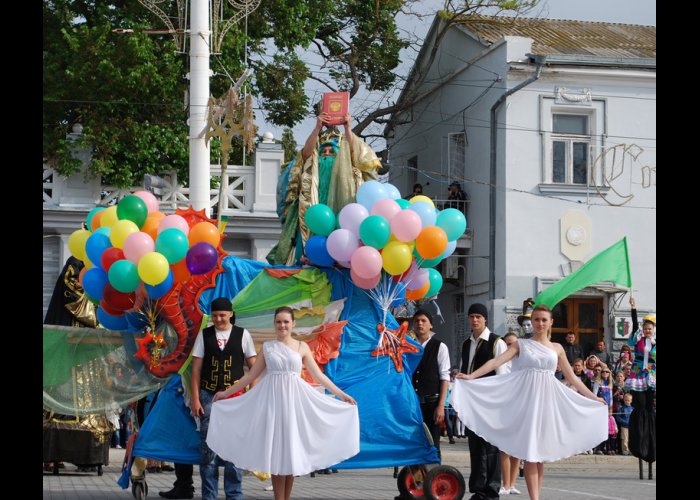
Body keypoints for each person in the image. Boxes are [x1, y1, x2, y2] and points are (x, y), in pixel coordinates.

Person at [451, 304, 607, 500]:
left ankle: (536, 496)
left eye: (544, 320)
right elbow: (495, 362)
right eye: (536, 319)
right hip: (526, 402)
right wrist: (472, 376)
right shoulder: (521, 344)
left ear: (551, 322)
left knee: (539, 455)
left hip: (547, 401)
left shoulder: (557, 348)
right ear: (531, 322)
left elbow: (573, 378)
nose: (540, 323)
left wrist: (593, 397)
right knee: (531, 453)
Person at [205, 306, 359, 500]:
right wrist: (225, 393)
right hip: (273, 404)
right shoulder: (268, 348)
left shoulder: (302, 347)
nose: (282, 325)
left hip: (294, 404)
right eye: (279, 322)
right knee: (278, 454)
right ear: (274, 324)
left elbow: (319, 376)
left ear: (293, 323)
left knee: (290, 454)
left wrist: (341, 394)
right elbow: (251, 375)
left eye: (286, 321)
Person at [267, 110, 381, 265]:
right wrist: (317, 127)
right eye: (323, 152)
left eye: (331, 151)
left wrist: (348, 128)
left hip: (344, 207)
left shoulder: (347, 163)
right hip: (313, 208)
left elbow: (360, 157)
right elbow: (305, 155)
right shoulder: (312, 167)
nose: (326, 154)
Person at [189, 297, 258, 500]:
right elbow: (196, 370)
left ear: (231, 313)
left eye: (222, 315)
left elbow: (254, 368)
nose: (218, 319)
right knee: (207, 451)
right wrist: (195, 398)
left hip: (235, 399)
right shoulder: (204, 335)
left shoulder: (243, 335)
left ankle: (234, 495)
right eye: (215, 315)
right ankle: (209, 496)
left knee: (233, 450)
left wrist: (251, 396)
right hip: (208, 395)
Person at [457, 303, 508, 500]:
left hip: (491, 404)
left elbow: (502, 376)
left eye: (478, 316)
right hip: (472, 404)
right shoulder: (466, 343)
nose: (475, 320)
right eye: (472, 317)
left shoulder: (496, 342)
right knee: (475, 447)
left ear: (485, 319)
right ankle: (478, 489)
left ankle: (492, 490)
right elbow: (465, 370)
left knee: (491, 448)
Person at [411, 309, 451, 458]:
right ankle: (416, 477)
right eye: (416, 321)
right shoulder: (409, 346)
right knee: (415, 442)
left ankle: (435, 477)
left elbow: (444, 377)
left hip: (432, 402)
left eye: (423, 321)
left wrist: (441, 405)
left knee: (432, 442)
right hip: (413, 402)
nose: (419, 324)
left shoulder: (440, 347)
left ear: (431, 325)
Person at [624, 296, 656, 464]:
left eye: (649, 329)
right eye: (645, 329)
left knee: (650, 407)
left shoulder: (655, 342)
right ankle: (640, 438)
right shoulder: (638, 339)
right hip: (638, 373)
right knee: (641, 406)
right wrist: (634, 308)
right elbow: (635, 324)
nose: (647, 331)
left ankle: (651, 440)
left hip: (651, 373)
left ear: (654, 329)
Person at [498, 331, 522, 496]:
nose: (511, 346)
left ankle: (512, 483)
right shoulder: (502, 363)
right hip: (504, 407)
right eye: (508, 343)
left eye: (514, 343)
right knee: (504, 448)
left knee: (517, 449)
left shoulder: (522, 363)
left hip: (520, 408)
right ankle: (504, 483)